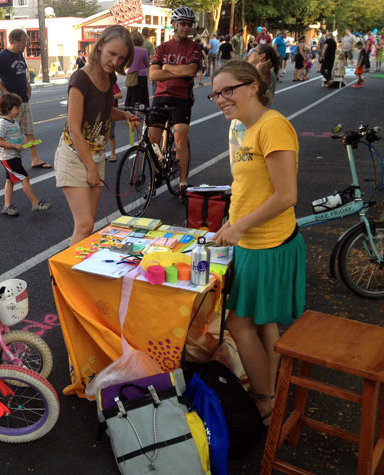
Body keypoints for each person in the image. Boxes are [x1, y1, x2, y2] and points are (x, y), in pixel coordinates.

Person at [210, 62, 305, 426]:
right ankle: (273, 387)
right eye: (216, 93)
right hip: (249, 237)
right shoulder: (239, 128)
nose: (220, 99)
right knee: (263, 320)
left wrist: (240, 227)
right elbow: (250, 188)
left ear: (252, 87)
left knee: (239, 324)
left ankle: (264, 405)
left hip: (269, 243)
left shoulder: (273, 126)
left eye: (227, 90)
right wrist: (232, 221)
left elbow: (286, 195)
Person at [54, 24, 137, 246]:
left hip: (95, 155)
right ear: (100, 46)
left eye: (121, 58)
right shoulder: (80, 79)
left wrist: (125, 115)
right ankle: (67, 278)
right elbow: (74, 127)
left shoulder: (109, 78)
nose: (115, 62)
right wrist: (90, 167)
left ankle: (79, 271)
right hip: (74, 156)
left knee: (88, 225)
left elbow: (103, 111)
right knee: (84, 225)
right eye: (112, 54)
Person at [149, 6, 202, 193]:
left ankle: (182, 181)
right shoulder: (162, 48)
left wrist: (166, 67)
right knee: (152, 139)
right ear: (173, 25)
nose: (186, 28)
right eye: (182, 24)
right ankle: (156, 172)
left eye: (189, 25)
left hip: (181, 98)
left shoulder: (194, 47)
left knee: (180, 139)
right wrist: (176, 71)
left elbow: (190, 71)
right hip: (160, 96)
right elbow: (153, 75)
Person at [0, 29, 51, 169]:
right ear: (14, 42)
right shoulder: (3, 56)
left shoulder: (20, 55)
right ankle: (10, 162)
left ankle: (35, 159)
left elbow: (22, 72)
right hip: (12, 103)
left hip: (23, 100)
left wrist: (28, 86)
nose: (25, 45)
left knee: (29, 131)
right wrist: (4, 91)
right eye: (23, 42)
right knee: (10, 134)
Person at [0, 92, 52, 216]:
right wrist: (15, 146)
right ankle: (35, 203)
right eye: (17, 108)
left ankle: (7, 205)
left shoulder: (14, 123)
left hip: (14, 156)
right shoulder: (3, 124)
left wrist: (26, 143)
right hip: (8, 158)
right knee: (24, 178)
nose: (20, 110)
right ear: (8, 109)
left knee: (9, 181)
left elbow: (15, 141)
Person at [125, 31, 149, 108]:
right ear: (141, 40)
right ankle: (142, 112)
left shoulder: (129, 50)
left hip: (132, 75)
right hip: (142, 76)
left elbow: (127, 63)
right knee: (142, 96)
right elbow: (147, 64)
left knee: (132, 95)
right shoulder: (144, 51)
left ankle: (131, 113)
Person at [108, 82, 123, 162]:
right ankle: (100, 153)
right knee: (101, 134)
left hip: (111, 111)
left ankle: (113, 153)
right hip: (101, 110)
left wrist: (110, 97)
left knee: (111, 133)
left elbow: (120, 95)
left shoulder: (112, 83)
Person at [141, 27, 157, 93]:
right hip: (145, 69)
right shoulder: (149, 44)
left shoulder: (135, 42)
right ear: (148, 34)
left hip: (134, 68)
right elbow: (151, 59)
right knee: (143, 88)